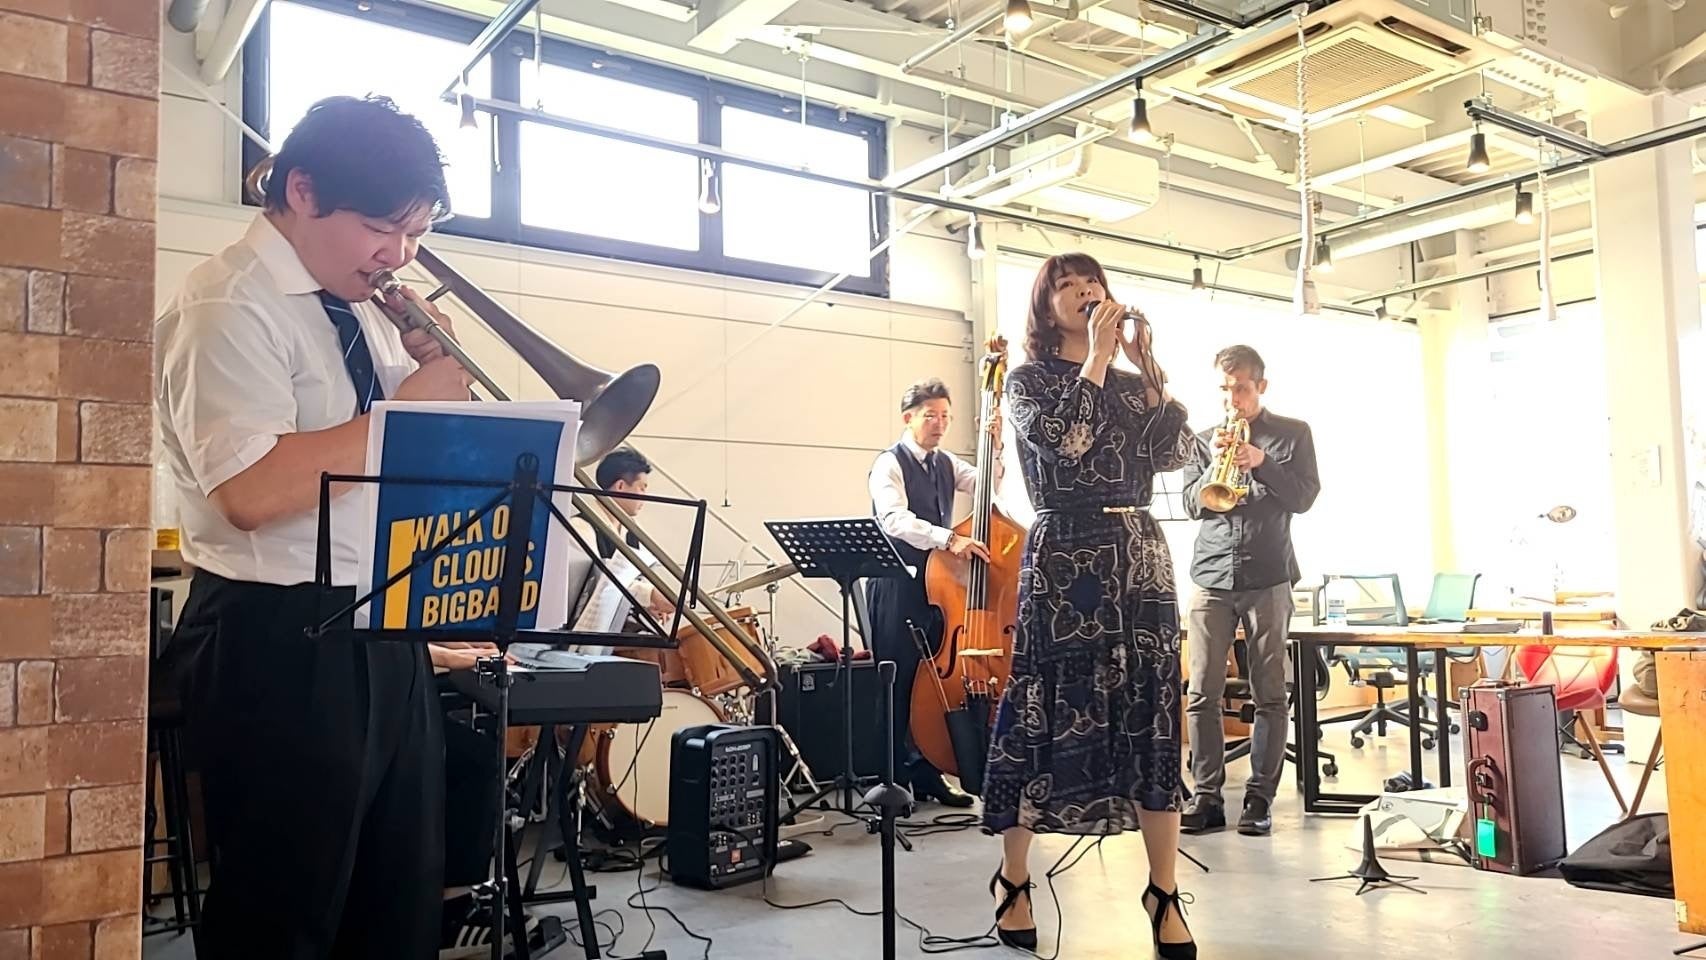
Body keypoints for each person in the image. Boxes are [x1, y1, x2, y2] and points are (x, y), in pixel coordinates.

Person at [155, 95, 474, 956]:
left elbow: (405, 466)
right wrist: (404, 415)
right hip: (275, 633)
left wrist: (440, 383)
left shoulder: (363, 306)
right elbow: (250, 490)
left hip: (383, 625)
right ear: (302, 191)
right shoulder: (228, 303)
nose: (398, 256)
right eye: (380, 228)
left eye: (415, 234)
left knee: (396, 906)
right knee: (283, 916)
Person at [981, 253, 1198, 958]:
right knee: (1043, 706)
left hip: (1139, 556)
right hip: (1066, 557)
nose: (1083, 292)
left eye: (1091, 282)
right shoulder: (1027, 381)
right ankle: (1014, 879)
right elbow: (1067, 444)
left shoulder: (1132, 382)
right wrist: (1099, 360)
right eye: (1067, 285)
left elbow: (1176, 454)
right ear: (1045, 307)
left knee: (1151, 711)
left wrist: (1148, 368)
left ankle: (1163, 891)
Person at [1179, 345, 1319, 838]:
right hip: (1211, 575)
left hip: (1268, 575)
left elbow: (1303, 497)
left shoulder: (1293, 434)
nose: (1231, 398)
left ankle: (1259, 799)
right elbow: (1190, 504)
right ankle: (1206, 796)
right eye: (1224, 389)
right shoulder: (1202, 440)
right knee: (1201, 693)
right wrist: (1211, 470)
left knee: (1270, 694)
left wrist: (1261, 462)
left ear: (1261, 386)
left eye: (1240, 388)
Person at [867, 378, 993, 808]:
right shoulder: (889, 463)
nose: (940, 424)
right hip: (896, 584)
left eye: (946, 417)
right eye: (930, 416)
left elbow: (988, 484)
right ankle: (892, 779)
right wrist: (949, 538)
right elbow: (894, 520)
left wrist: (994, 443)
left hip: (936, 587)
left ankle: (927, 773)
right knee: (897, 682)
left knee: (931, 681)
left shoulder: (946, 462)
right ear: (909, 417)